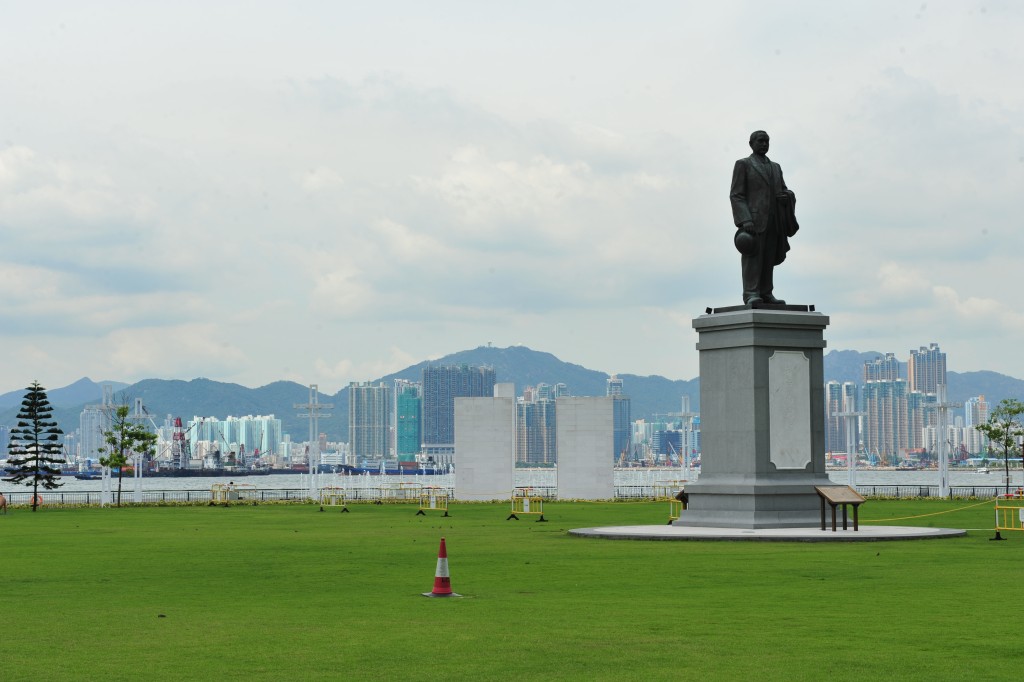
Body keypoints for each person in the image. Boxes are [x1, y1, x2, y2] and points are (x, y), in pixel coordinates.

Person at [729, 130, 798, 305]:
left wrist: (786, 196)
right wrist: (745, 219)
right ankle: (751, 293)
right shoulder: (743, 164)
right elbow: (737, 195)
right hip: (754, 221)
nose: (764, 144)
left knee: (768, 258)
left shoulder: (775, 167)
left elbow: (783, 189)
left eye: (767, 141)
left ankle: (766, 292)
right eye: (760, 141)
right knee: (753, 258)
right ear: (751, 144)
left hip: (774, 221)